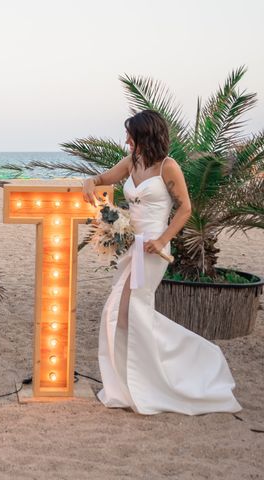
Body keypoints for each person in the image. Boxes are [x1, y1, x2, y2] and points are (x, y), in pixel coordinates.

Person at [82, 109, 241, 415]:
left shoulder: (169, 167)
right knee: (126, 315)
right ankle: (130, 386)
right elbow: (102, 179)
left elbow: (184, 209)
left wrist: (162, 239)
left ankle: (185, 366)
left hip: (155, 251)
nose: (126, 139)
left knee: (123, 311)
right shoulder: (131, 163)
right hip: (131, 247)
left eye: (131, 134)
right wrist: (90, 182)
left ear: (145, 135)